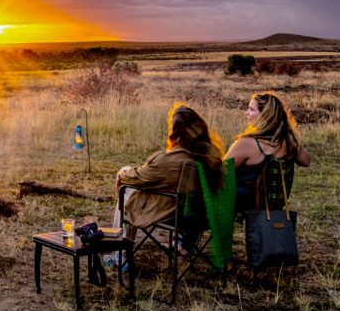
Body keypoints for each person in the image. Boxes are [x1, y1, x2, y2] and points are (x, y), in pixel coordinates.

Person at [115, 104, 225, 250]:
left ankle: (120, 252)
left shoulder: (169, 160)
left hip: (175, 217)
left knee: (126, 188)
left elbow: (137, 178)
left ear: (175, 132)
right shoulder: (211, 157)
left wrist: (121, 174)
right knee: (130, 184)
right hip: (201, 218)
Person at [225, 91, 311, 214]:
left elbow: (220, 173)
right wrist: (290, 136)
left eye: (251, 109)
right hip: (274, 205)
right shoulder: (288, 141)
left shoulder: (247, 143)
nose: (246, 113)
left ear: (265, 115)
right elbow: (306, 161)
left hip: (245, 204)